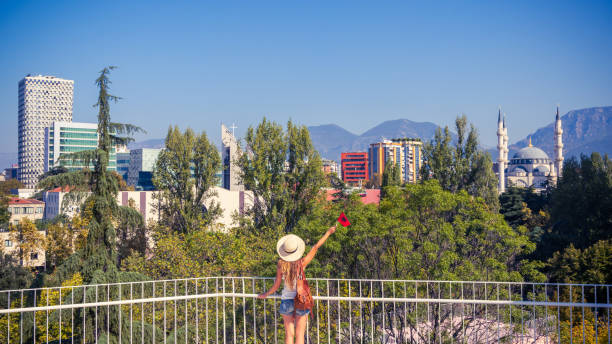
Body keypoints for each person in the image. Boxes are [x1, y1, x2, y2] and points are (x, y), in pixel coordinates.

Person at [258, 226, 336, 344]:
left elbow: (276, 286)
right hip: (300, 301)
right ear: (296, 250)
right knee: (300, 335)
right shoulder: (302, 263)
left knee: (289, 335)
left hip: (286, 301)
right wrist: (328, 233)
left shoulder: (281, 266)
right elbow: (315, 247)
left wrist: (266, 294)